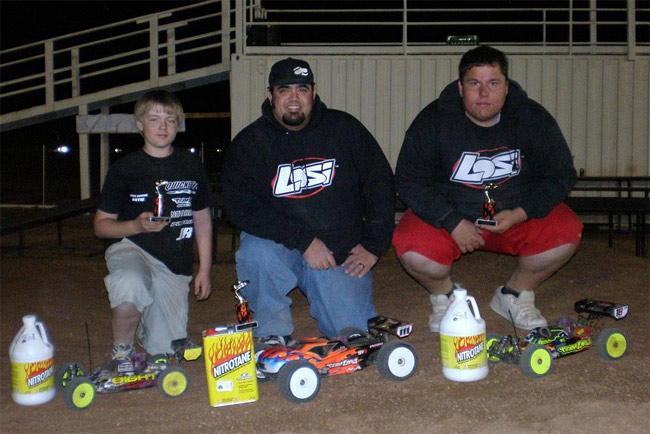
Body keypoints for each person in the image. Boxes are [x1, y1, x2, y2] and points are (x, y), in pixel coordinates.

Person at [392, 45, 583, 332]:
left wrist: (520, 213)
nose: (484, 93)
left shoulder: (531, 118)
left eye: (493, 83)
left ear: (506, 86)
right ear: (460, 88)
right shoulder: (433, 121)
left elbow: (561, 175)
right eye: (474, 83)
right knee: (411, 248)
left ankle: (515, 293)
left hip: (513, 216)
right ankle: (446, 296)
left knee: (566, 232)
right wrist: (451, 221)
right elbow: (409, 180)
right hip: (454, 220)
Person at [221, 57, 395, 346]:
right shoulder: (250, 142)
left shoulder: (345, 129)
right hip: (280, 245)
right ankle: (271, 330)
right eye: (284, 90)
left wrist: (374, 245)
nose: (293, 98)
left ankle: (341, 310)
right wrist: (304, 240)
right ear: (271, 96)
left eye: (301, 89)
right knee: (256, 253)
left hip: (337, 251)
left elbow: (380, 184)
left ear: (313, 94)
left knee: (353, 334)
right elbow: (240, 208)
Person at [94, 90, 213, 362]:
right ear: (139, 124)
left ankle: (146, 321)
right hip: (131, 247)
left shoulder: (190, 164)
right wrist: (136, 226)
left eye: (170, 120)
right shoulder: (124, 169)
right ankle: (123, 349)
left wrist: (205, 269)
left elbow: (202, 218)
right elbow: (101, 226)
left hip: (174, 262)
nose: (163, 127)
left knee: (165, 348)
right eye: (154, 119)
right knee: (130, 282)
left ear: (178, 125)